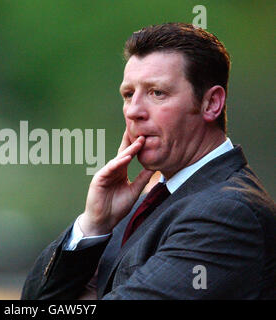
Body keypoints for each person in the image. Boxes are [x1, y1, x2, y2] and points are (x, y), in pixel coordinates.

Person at [21, 23, 276, 299]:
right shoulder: (138, 205)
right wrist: (95, 224)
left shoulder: (228, 212)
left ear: (211, 103)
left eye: (157, 93)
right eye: (129, 94)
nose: (134, 111)